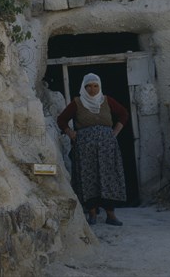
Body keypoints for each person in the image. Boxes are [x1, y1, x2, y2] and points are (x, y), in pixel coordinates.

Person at [57, 73, 128, 226]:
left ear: (100, 86)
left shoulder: (107, 101)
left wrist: (114, 132)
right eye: (88, 86)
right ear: (84, 87)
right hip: (85, 149)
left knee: (108, 177)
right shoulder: (77, 102)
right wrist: (70, 133)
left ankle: (111, 215)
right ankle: (92, 214)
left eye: (95, 86)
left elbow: (123, 114)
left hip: (107, 148)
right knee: (88, 179)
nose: (92, 89)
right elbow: (61, 120)